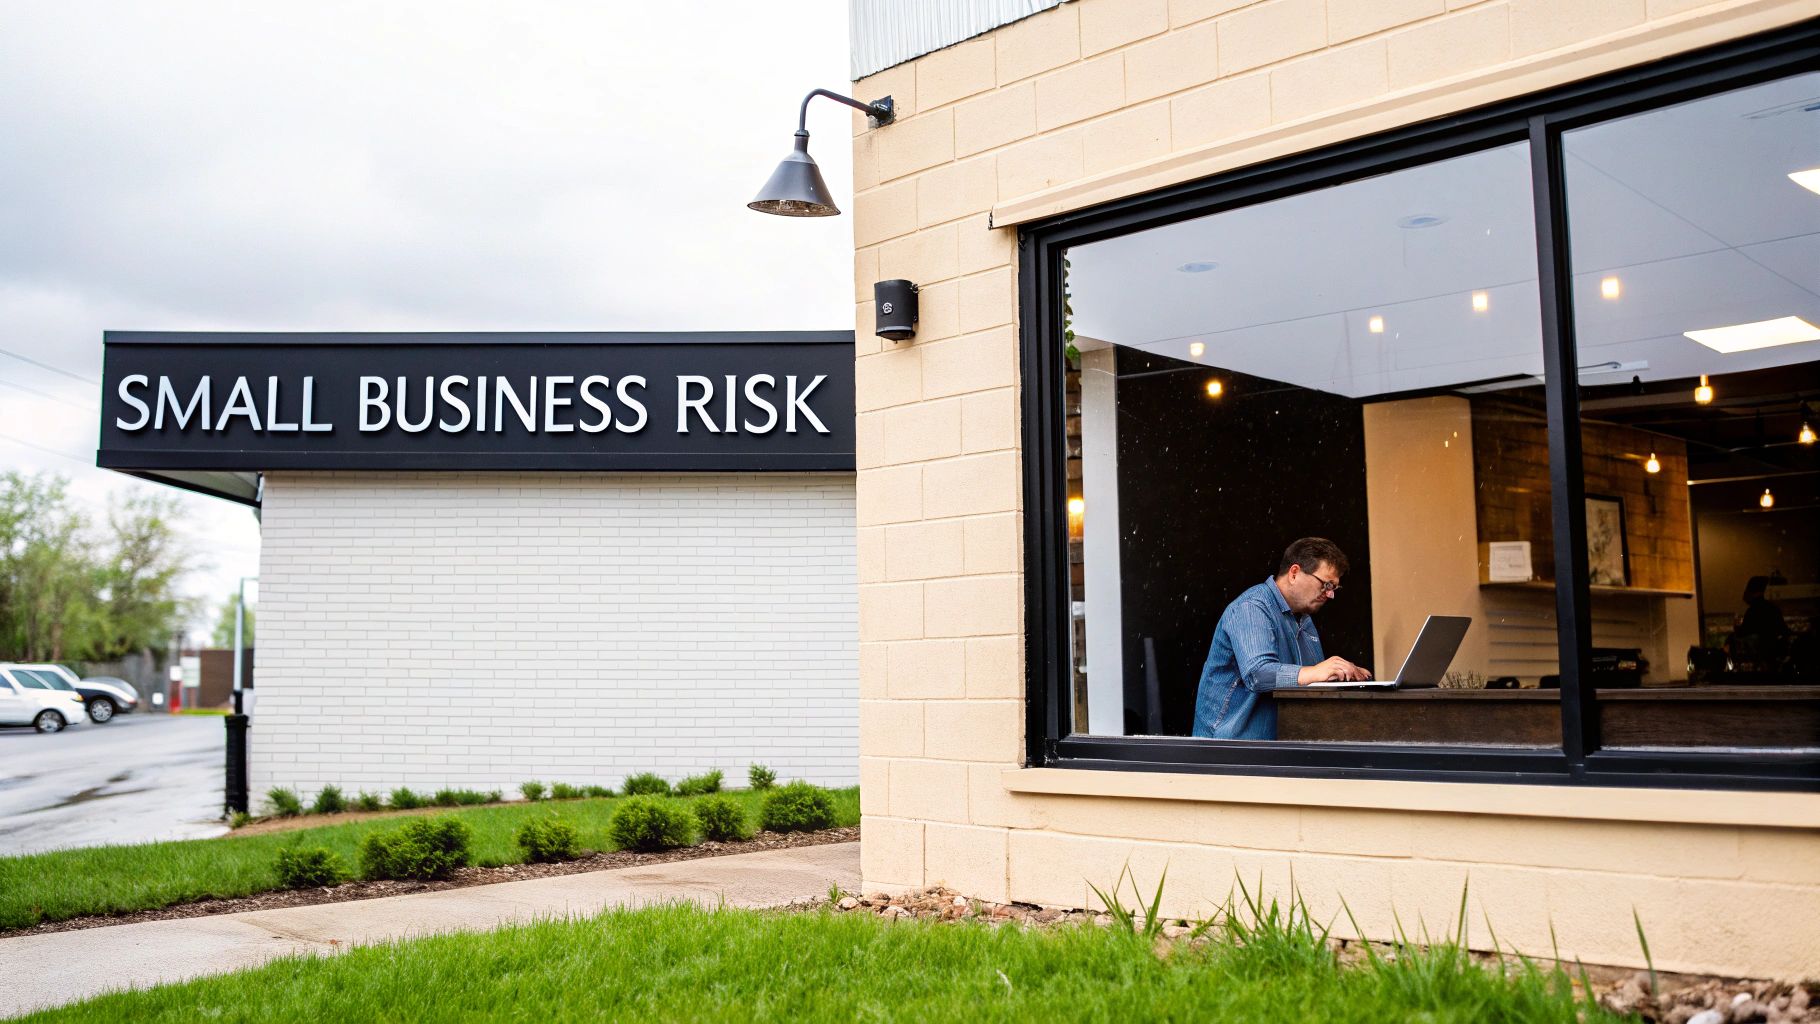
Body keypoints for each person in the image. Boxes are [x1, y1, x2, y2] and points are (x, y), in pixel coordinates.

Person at [1192, 537, 1371, 740]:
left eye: (1334, 588)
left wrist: (1341, 676)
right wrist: (1316, 672)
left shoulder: (1304, 620)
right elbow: (1259, 674)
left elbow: (1307, 682)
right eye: (1326, 584)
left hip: (1277, 749)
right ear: (1294, 573)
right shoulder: (1252, 607)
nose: (1330, 595)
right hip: (1227, 752)